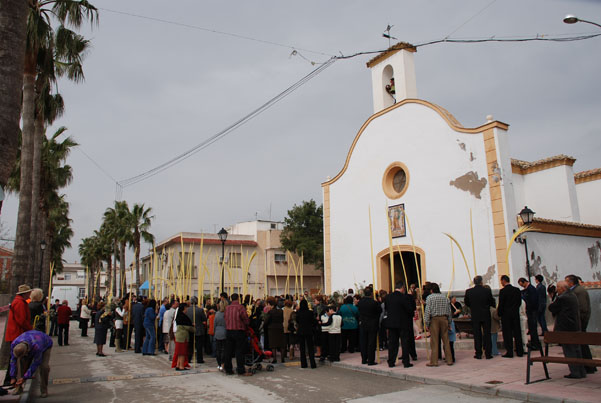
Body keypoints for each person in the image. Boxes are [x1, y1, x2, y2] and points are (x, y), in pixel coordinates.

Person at [548, 281, 586, 379]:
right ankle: (581, 371)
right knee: (577, 350)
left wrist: (552, 297)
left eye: (558, 288)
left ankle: (575, 372)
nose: (557, 289)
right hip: (575, 327)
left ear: (563, 288)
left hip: (566, 328)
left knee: (570, 351)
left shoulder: (562, 298)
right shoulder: (572, 295)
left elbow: (552, 308)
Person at [565, 274, 596, 374]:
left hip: (580, 322)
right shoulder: (575, 291)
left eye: (566, 281)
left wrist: (578, 321)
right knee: (582, 345)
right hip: (578, 322)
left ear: (571, 282)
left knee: (582, 344)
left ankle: (589, 366)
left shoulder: (579, 291)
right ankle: (588, 366)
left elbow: (583, 309)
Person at [9, 330, 53, 398]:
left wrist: (25, 377)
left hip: (45, 344)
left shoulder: (37, 347)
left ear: (26, 352)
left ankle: (44, 390)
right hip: (30, 341)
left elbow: (36, 363)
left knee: (44, 367)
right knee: (20, 363)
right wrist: (12, 377)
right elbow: (13, 361)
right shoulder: (14, 344)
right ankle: (18, 387)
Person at [464, 275, 495, 359]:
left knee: (477, 335)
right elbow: (491, 301)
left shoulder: (469, 291)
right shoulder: (487, 291)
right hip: (485, 314)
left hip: (475, 314)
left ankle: (478, 353)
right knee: (487, 334)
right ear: (481, 282)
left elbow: (467, 303)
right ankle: (488, 353)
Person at [384, 283, 415, 368]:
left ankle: (391, 361)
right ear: (402, 288)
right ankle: (406, 362)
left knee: (392, 343)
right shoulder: (404, 297)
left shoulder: (388, 297)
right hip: (403, 323)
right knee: (405, 342)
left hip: (391, 323)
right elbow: (409, 309)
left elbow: (386, 308)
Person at [424, 283, 453, 367]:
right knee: (446, 340)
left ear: (431, 290)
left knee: (434, 341)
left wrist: (426, 322)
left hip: (434, 320)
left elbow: (428, 311)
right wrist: (449, 322)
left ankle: (434, 361)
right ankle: (449, 360)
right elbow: (449, 311)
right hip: (444, 319)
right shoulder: (445, 297)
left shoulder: (430, 298)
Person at [223, 293, 251, 376]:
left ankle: (228, 369)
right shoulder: (240, 307)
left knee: (228, 351)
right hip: (239, 331)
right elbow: (245, 318)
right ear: (238, 298)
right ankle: (240, 369)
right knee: (239, 351)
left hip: (229, 330)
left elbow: (225, 318)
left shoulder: (227, 308)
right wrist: (247, 324)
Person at [497, 275, 524, 358]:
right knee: (517, 333)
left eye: (501, 281)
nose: (501, 283)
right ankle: (520, 351)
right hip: (515, 314)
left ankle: (509, 351)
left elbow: (501, 304)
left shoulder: (503, 291)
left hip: (506, 315)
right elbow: (519, 302)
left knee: (507, 334)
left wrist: (499, 313)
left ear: (504, 281)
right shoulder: (516, 290)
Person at [357, 288, 381, 365]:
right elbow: (379, 311)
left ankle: (364, 359)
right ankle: (371, 360)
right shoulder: (374, 303)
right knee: (371, 342)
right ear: (371, 293)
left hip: (363, 323)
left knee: (363, 342)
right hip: (372, 324)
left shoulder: (360, 302)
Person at [517, 277, 541, 349]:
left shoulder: (531, 289)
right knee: (531, 328)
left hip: (532, 311)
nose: (522, 286)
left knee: (533, 328)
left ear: (524, 282)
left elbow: (533, 301)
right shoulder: (528, 289)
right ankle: (534, 343)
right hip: (530, 311)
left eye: (521, 284)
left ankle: (535, 344)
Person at [172, 303, 195, 371]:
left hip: (179, 336)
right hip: (183, 337)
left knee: (179, 352)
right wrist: (193, 328)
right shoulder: (183, 317)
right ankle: (181, 366)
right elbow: (187, 327)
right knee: (182, 352)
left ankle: (178, 364)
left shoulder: (179, 316)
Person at [295, 299, 317, 369]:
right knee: (310, 347)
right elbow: (313, 321)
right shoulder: (310, 312)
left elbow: (297, 321)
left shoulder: (298, 312)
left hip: (301, 331)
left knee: (302, 348)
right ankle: (312, 363)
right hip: (309, 331)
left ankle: (303, 364)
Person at [265, 297, 285, 363]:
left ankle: (275, 359)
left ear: (270, 304)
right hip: (280, 327)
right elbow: (282, 320)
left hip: (272, 328)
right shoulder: (281, 311)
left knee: (273, 344)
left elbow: (266, 321)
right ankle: (282, 358)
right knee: (281, 343)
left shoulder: (270, 312)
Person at [186, 297, 207, 364]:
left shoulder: (187, 310)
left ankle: (189, 358)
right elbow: (204, 319)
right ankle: (199, 359)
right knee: (199, 346)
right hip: (199, 329)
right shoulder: (200, 310)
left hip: (190, 329)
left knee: (190, 345)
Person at [214, 300, 228, 371]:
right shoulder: (226, 314)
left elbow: (214, 324)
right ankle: (223, 363)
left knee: (218, 349)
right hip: (225, 331)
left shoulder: (217, 314)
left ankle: (219, 364)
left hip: (218, 332)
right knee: (224, 349)